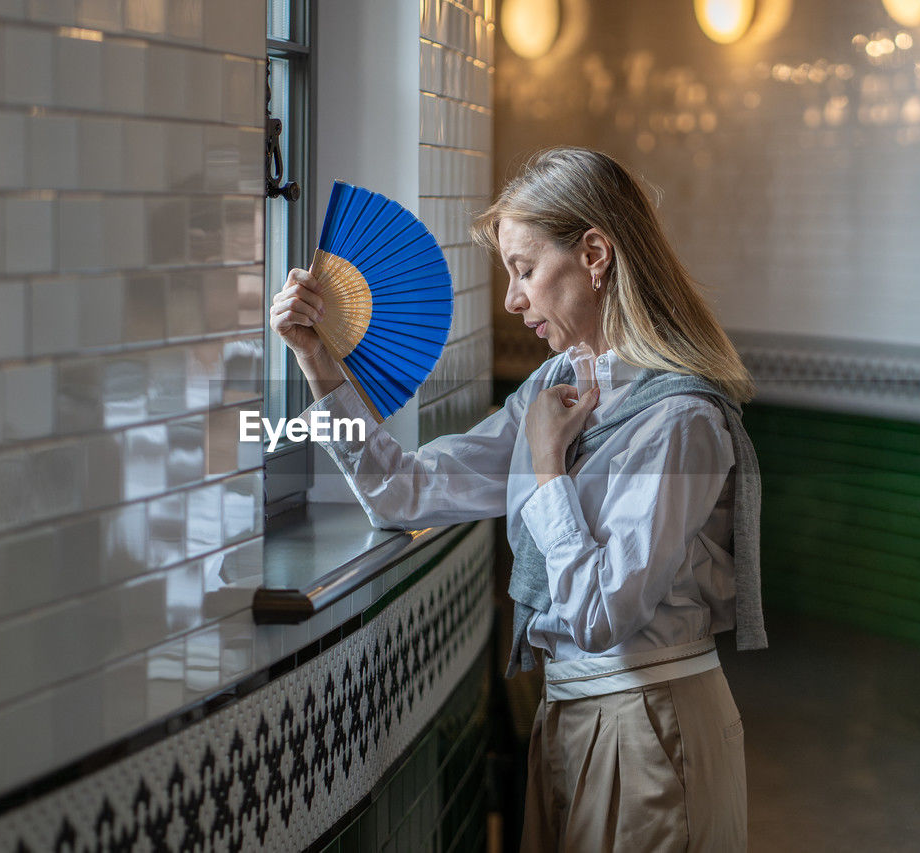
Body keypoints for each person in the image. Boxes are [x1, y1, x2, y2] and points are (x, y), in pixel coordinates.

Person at [269, 147, 766, 851]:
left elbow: (600, 616)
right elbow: (401, 493)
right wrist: (317, 360)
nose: (512, 298)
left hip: (653, 724)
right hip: (567, 715)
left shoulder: (680, 420)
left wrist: (544, 464)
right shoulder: (552, 392)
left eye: (525, 269)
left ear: (595, 253)